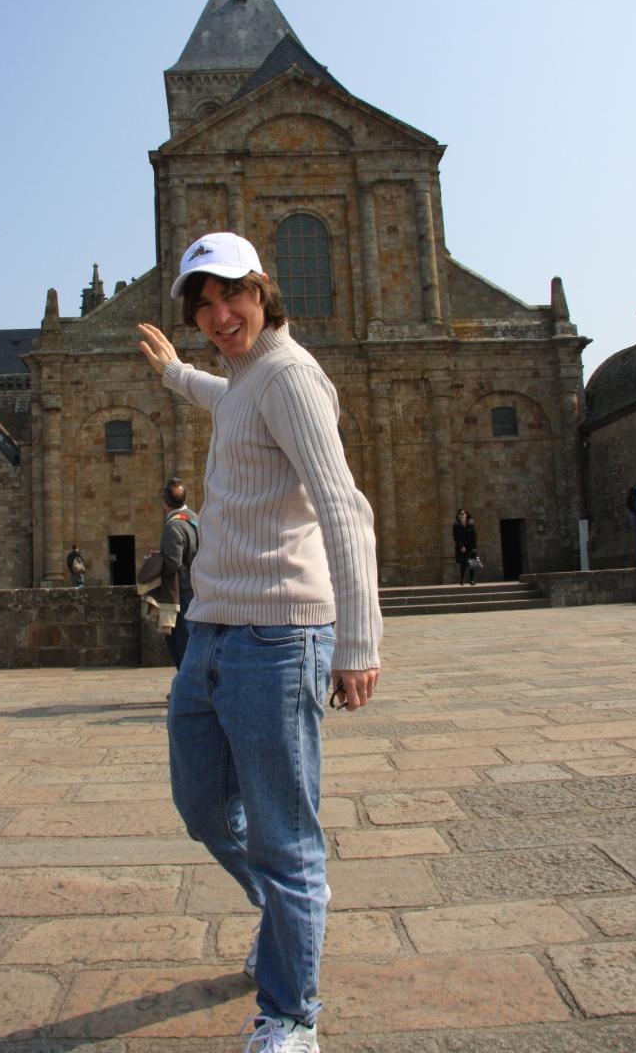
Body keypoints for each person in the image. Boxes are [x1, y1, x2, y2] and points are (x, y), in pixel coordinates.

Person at [138, 231, 382, 1053]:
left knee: (283, 835)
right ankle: (286, 913)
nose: (219, 315)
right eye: (203, 304)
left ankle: (290, 1015)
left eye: (231, 295)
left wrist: (359, 642)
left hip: (279, 637)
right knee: (204, 808)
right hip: (211, 634)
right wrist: (175, 373)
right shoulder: (247, 378)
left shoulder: (290, 376)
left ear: (262, 290)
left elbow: (344, 507)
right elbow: (227, 398)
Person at [160, 477, 199, 669]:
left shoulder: (173, 526)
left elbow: (172, 563)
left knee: (180, 646)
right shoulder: (195, 519)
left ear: (165, 502)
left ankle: (186, 684)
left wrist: (156, 563)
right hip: (199, 589)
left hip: (182, 593)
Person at [453, 508, 478, 585]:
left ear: (466, 515)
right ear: (458, 516)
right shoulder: (456, 525)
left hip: (471, 546)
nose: (462, 515)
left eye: (463, 513)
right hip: (462, 547)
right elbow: (456, 537)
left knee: (473, 563)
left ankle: (472, 580)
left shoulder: (471, 524)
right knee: (463, 563)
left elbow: (474, 535)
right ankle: (462, 580)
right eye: (460, 514)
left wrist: (474, 547)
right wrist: (461, 546)